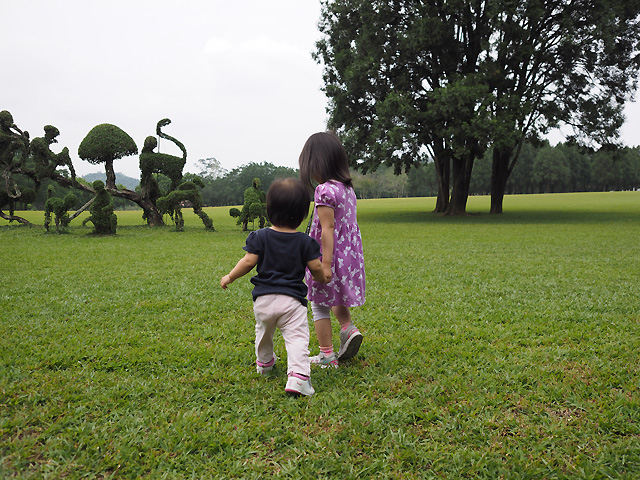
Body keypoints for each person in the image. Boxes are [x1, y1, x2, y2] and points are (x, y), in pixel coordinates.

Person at [220, 178, 327, 396]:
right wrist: (322, 276)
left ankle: (265, 363)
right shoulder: (305, 242)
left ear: (269, 209)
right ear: (302, 215)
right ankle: (298, 378)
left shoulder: (259, 236)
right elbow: (316, 267)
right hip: (292, 302)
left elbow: (248, 262)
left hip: (263, 300)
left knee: (264, 332)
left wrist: (230, 277)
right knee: (296, 338)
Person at [299, 132, 366, 368]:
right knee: (334, 294)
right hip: (347, 256)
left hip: (327, 256)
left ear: (316, 162)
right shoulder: (347, 189)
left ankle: (327, 355)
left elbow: (327, 228)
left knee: (318, 303)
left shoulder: (324, 190)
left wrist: (324, 264)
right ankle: (348, 329)